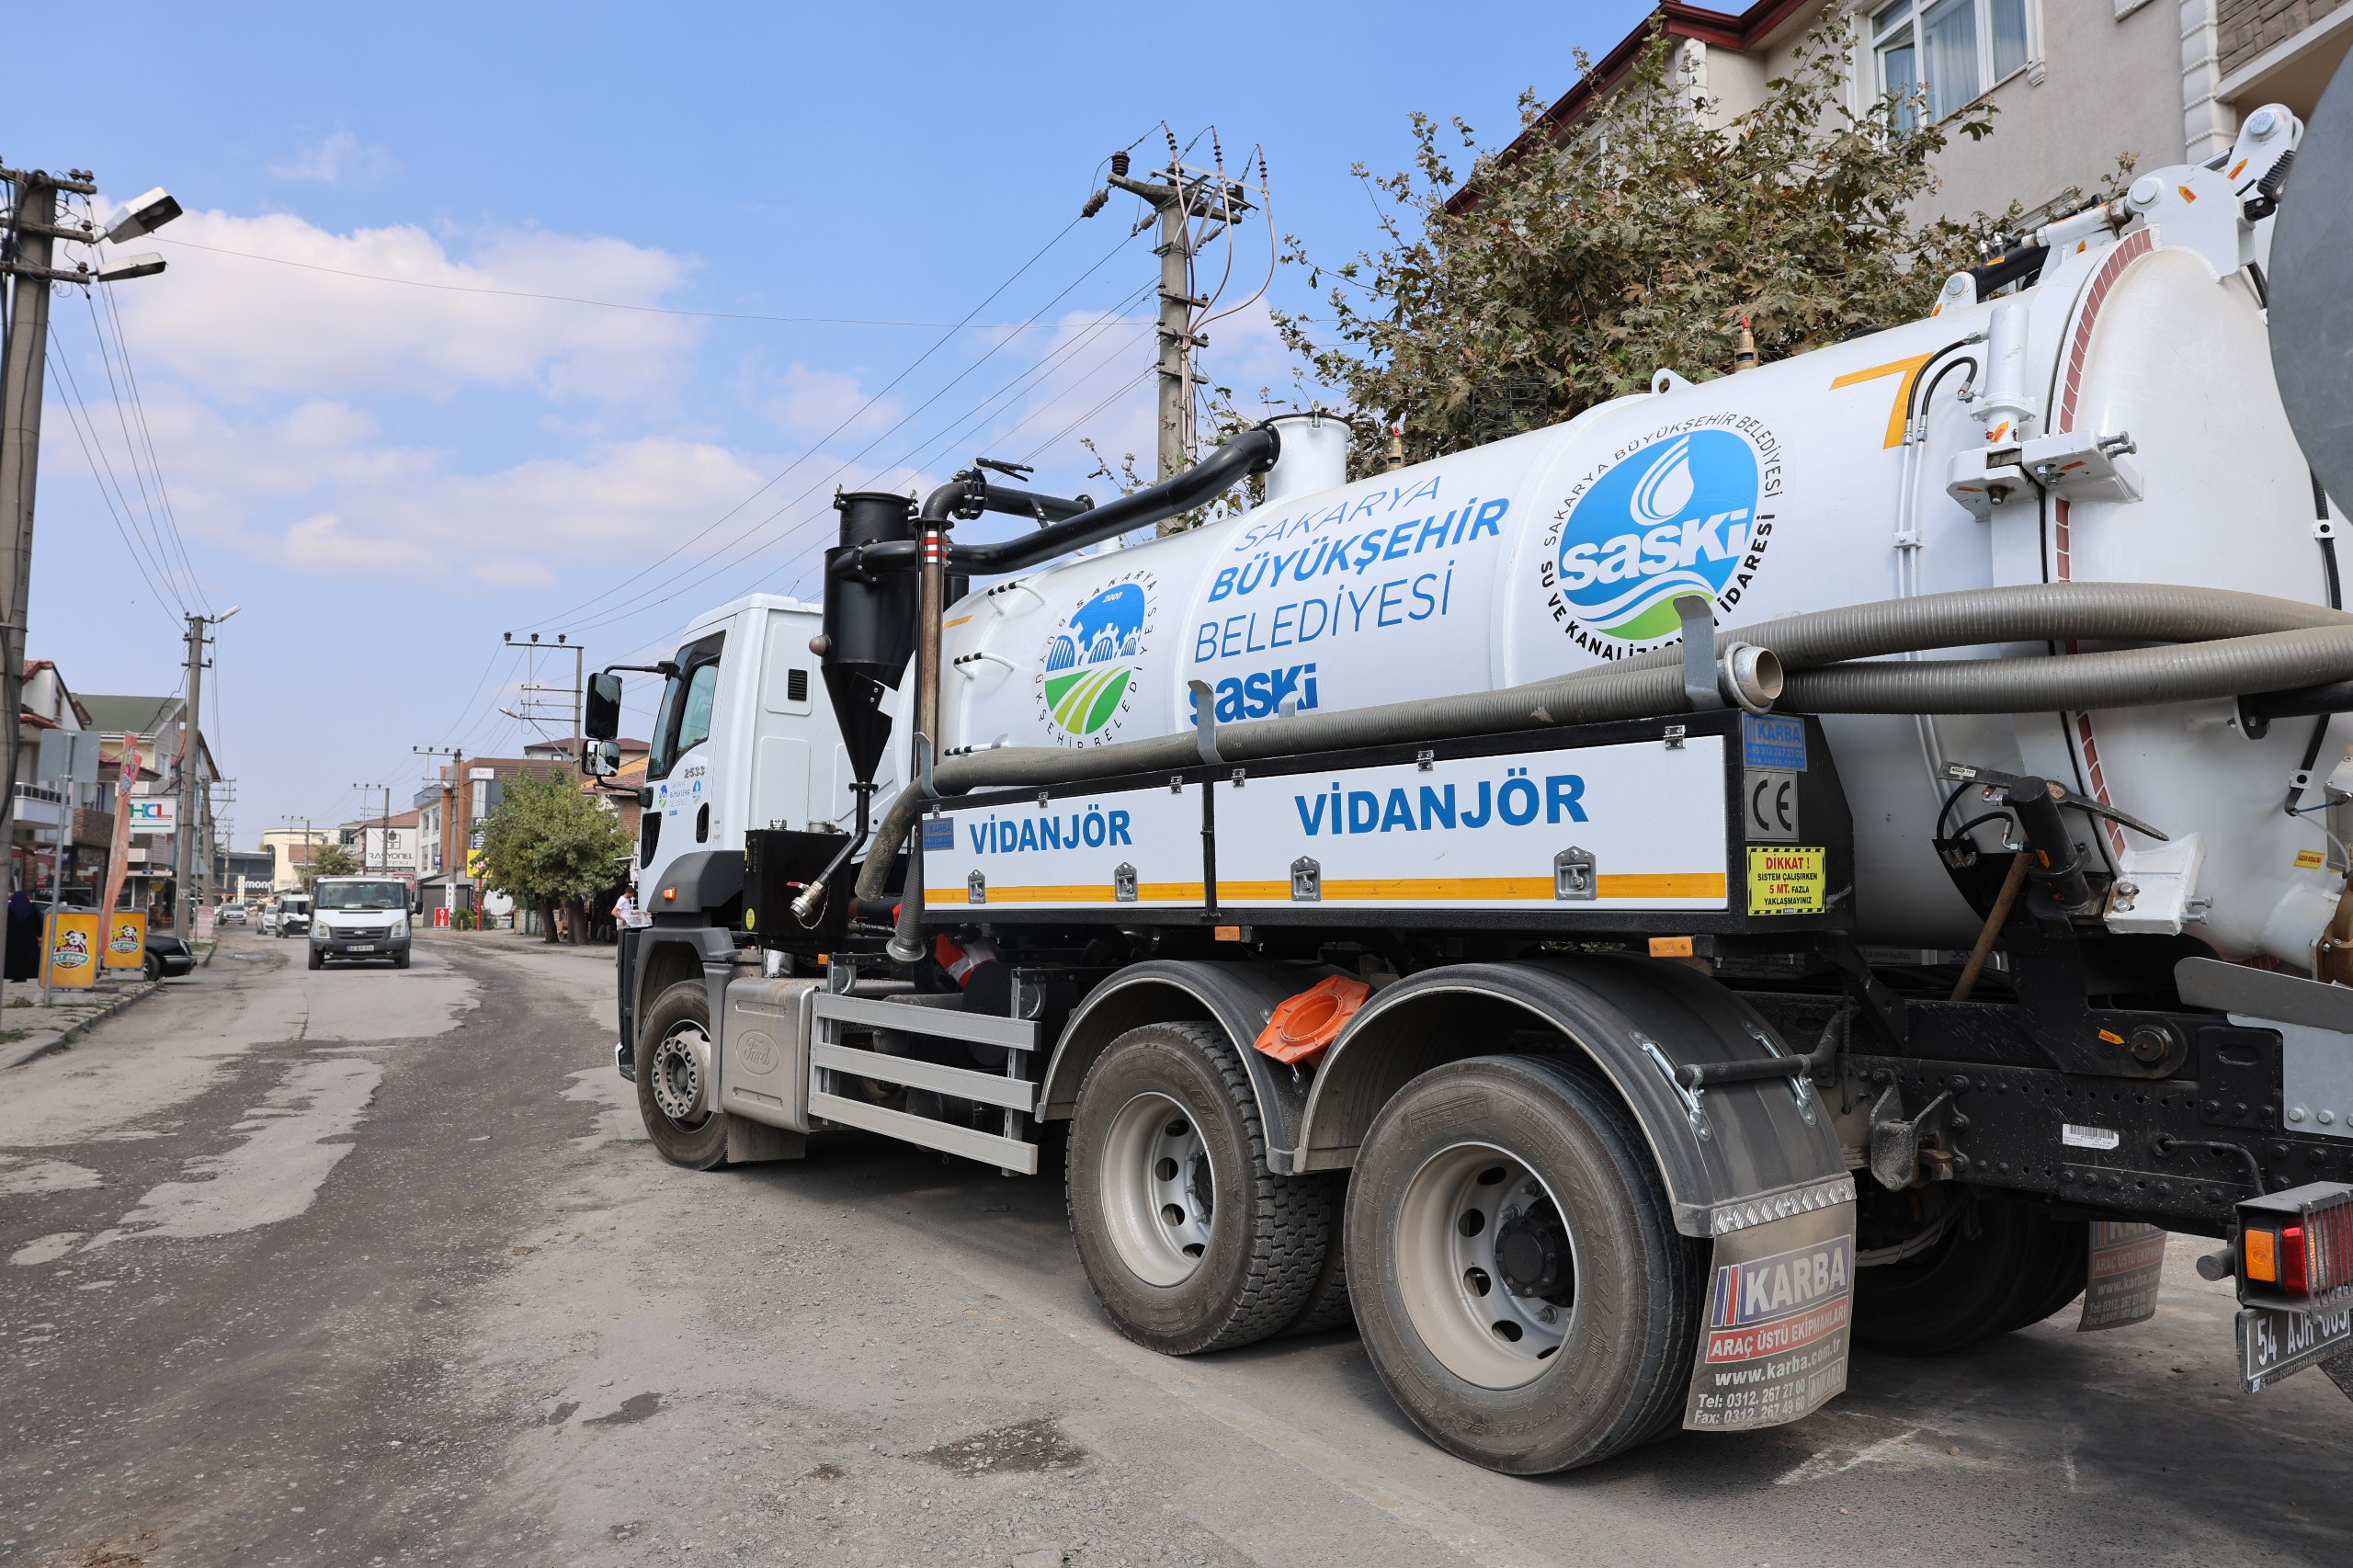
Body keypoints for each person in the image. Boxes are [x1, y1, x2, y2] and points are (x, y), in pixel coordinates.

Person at [5, 888, 39, 983]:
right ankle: (25, 975)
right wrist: (38, 933)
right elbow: (38, 922)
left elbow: (5, 922)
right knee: (27, 959)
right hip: (29, 939)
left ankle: (14, 975)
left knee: (14, 958)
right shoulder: (32, 908)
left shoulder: (10, 908)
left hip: (13, 938)